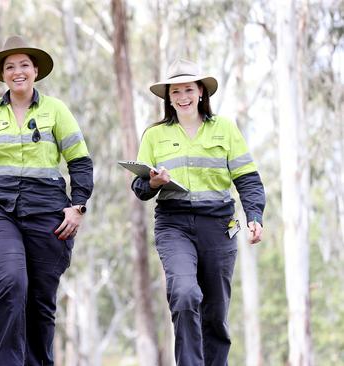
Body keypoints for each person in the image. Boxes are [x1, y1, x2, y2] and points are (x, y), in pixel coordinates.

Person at [0, 35, 93, 365]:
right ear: (2, 75)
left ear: (36, 70)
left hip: (48, 214)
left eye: (24, 65)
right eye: (10, 66)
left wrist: (78, 205)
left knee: (41, 302)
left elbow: (80, 161)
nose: (18, 72)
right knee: (9, 282)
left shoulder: (56, 110)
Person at [131, 58, 265, 365]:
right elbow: (140, 190)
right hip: (173, 224)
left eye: (188, 89)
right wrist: (152, 182)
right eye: (175, 92)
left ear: (201, 92)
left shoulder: (225, 129)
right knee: (185, 294)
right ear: (168, 97)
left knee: (216, 315)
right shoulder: (154, 135)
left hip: (219, 226)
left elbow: (248, 179)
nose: (182, 97)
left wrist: (254, 216)